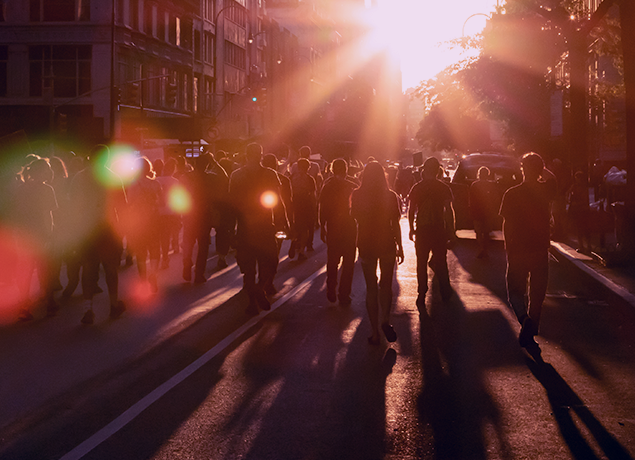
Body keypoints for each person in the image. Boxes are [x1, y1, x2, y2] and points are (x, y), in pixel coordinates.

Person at [499, 152, 557, 355]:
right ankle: (531, 329)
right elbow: (553, 180)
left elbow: (506, 224)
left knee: (514, 290)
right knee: (537, 293)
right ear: (540, 170)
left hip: (518, 249)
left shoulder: (511, 193)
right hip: (540, 248)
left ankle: (525, 320)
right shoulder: (545, 191)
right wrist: (541, 171)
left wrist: (508, 247)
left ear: (522, 169)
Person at [70, 145, 127, 324]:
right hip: (108, 229)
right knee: (110, 268)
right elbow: (122, 207)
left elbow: (73, 207)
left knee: (88, 269)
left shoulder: (79, 177)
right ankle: (113, 305)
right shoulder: (114, 177)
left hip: (87, 229)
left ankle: (88, 309)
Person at [229, 143, 288, 314]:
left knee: (248, 267)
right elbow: (277, 201)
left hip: (244, 226)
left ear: (246, 155)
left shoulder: (236, 175)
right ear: (261, 155)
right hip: (264, 224)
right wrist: (283, 222)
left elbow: (232, 205)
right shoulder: (270, 174)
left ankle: (252, 303)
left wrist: (231, 230)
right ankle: (260, 287)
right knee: (270, 261)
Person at [351, 161, 404, 345]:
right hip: (387, 242)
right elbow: (395, 223)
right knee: (386, 286)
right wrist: (400, 246)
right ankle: (385, 320)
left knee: (371, 288)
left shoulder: (357, 195)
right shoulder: (390, 195)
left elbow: (354, 218)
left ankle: (374, 332)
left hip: (366, 243)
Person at [12, 158, 59, 320]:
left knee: (25, 270)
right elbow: (49, 215)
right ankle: (50, 303)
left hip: (23, 234)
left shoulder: (21, 189)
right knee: (44, 270)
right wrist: (51, 234)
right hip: (41, 234)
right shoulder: (47, 189)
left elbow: (16, 213)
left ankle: (24, 307)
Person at [408, 157, 456, 307]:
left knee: (421, 262)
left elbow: (411, 210)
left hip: (422, 229)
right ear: (437, 171)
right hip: (438, 229)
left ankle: (421, 291)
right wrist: (451, 230)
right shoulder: (443, 188)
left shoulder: (417, 187)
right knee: (441, 261)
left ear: (424, 170)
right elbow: (449, 211)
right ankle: (445, 291)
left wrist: (411, 228)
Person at [319, 158, 358, 305]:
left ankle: (331, 285)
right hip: (349, 226)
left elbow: (322, 207)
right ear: (346, 170)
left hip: (333, 226)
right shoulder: (352, 186)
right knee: (348, 262)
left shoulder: (327, 186)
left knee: (332, 260)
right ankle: (344, 293)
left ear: (332, 169)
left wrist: (322, 225)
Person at [179, 153, 221, 283]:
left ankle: (186, 262)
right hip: (204, 214)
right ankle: (199, 274)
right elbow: (224, 177)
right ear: (207, 164)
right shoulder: (211, 178)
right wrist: (215, 162)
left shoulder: (185, 177)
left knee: (188, 241)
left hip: (189, 213)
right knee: (203, 246)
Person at [126, 157, 163, 292]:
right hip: (154, 219)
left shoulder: (134, 184)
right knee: (154, 250)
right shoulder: (156, 183)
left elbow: (130, 202)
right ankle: (153, 274)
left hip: (140, 221)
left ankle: (143, 279)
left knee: (141, 252)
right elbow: (161, 201)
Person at [289, 158, 317, 261]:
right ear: (308, 167)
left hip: (294, 203)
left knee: (296, 225)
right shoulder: (310, 179)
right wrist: (315, 209)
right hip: (305, 204)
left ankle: (294, 240)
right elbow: (313, 196)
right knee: (305, 228)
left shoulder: (292, 177)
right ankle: (301, 250)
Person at [469, 166, 499, 259]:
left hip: (477, 212)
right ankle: (485, 249)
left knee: (478, 232)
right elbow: (494, 198)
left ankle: (482, 248)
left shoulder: (474, 185)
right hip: (487, 212)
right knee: (486, 233)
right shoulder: (491, 185)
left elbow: (471, 199)